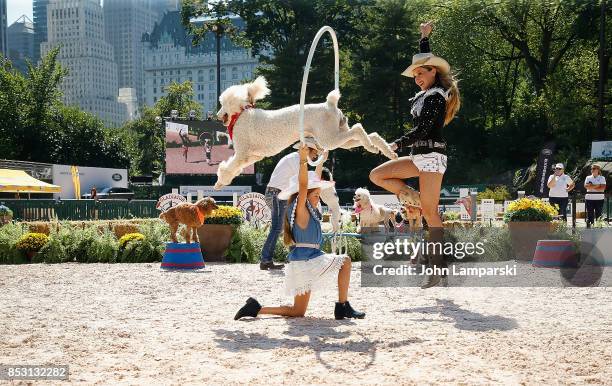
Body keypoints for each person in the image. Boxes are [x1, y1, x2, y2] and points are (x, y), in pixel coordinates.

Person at [368, 21, 460, 288]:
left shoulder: (436, 97)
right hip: (420, 155)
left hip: (431, 155)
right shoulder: (428, 93)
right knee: (378, 175)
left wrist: (397, 144)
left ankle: (437, 269)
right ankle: (416, 199)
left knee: (431, 216)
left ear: (433, 72)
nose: (417, 78)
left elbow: (424, 129)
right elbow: (426, 62)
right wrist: (423, 38)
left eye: (421, 73)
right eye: (415, 74)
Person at [234, 145, 365, 320]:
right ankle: (342, 307)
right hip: (308, 259)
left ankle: (256, 308)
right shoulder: (300, 209)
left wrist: (321, 162)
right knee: (346, 261)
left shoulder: (307, 208)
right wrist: (303, 160)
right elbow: (304, 186)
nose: (319, 196)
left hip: (304, 260)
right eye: (316, 195)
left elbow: (313, 183)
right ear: (305, 195)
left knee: (298, 311)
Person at [259, 137, 322, 270]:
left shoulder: (295, 158)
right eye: (315, 152)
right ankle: (266, 260)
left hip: (277, 193)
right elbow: (302, 180)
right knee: (278, 227)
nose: (316, 155)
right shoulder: (296, 159)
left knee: (289, 224)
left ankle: (294, 257)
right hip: (277, 193)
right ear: (308, 150)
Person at [584, 164, 606, 228]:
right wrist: (597, 185)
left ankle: (598, 227)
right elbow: (586, 186)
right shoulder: (588, 177)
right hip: (589, 198)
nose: (592, 170)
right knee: (590, 214)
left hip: (599, 199)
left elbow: (602, 188)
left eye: (594, 168)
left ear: (598, 170)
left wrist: (591, 186)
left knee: (598, 214)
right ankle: (590, 227)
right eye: (591, 168)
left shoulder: (602, 178)